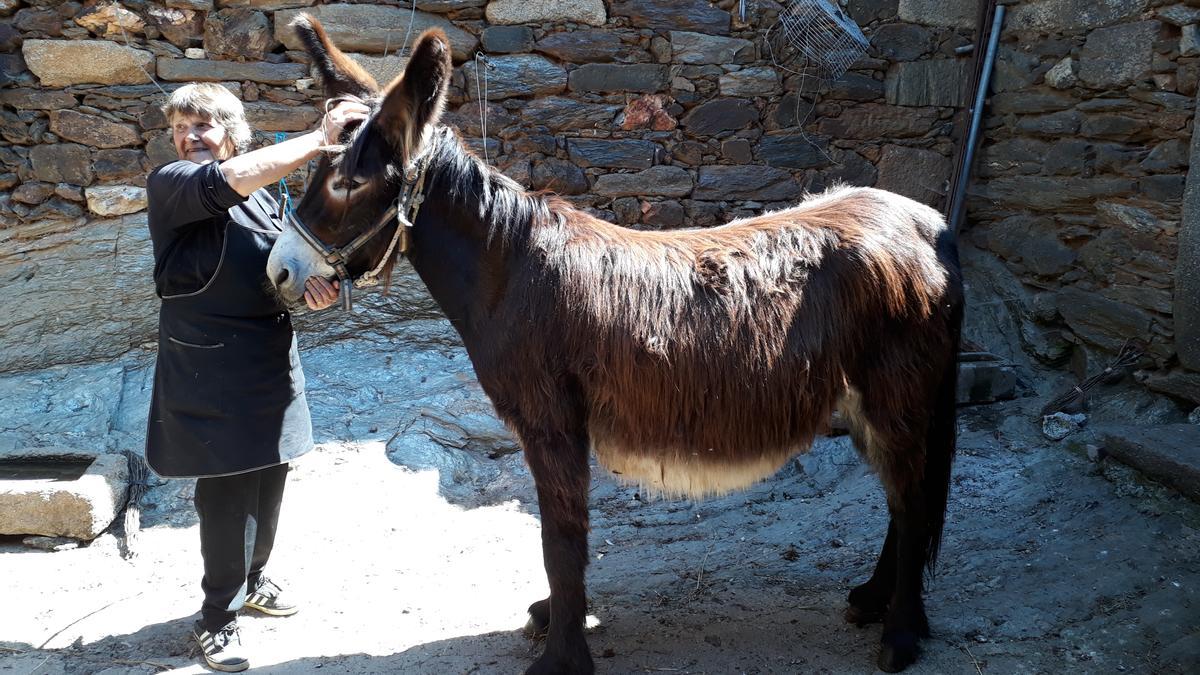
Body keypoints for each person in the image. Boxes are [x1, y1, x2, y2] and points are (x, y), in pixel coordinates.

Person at [143, 82, 368, 672]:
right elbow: (227, 181)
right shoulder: (173, 184)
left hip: (269, 357)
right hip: (207, 365)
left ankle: (255, 578)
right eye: (181, 128)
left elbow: (285, 273)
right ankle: (217, 617)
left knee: (271, 477)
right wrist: (321, 139)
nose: (189, 137)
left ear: (232, 133)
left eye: (203, 126)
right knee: (225, 491)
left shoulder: (268, 200)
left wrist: (312, 293)